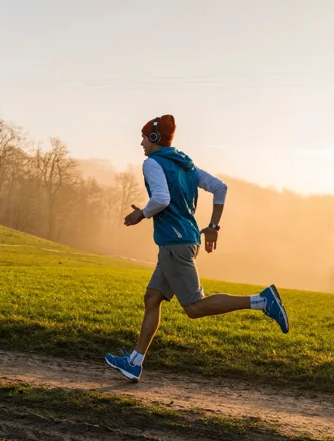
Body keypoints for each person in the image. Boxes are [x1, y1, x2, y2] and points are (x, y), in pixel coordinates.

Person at [104, 114, 290, 382]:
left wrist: (141, 215)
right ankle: (134, 361)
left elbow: (161, 199)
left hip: (175, 244)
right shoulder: (186, 165)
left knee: (194, 308)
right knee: (153, 298)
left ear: (154, 138)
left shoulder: (152, 163)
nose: (141, 142)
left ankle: (262, 302)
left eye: (144, 137)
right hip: (182, 240)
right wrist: (213, 225)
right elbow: (219, 187)